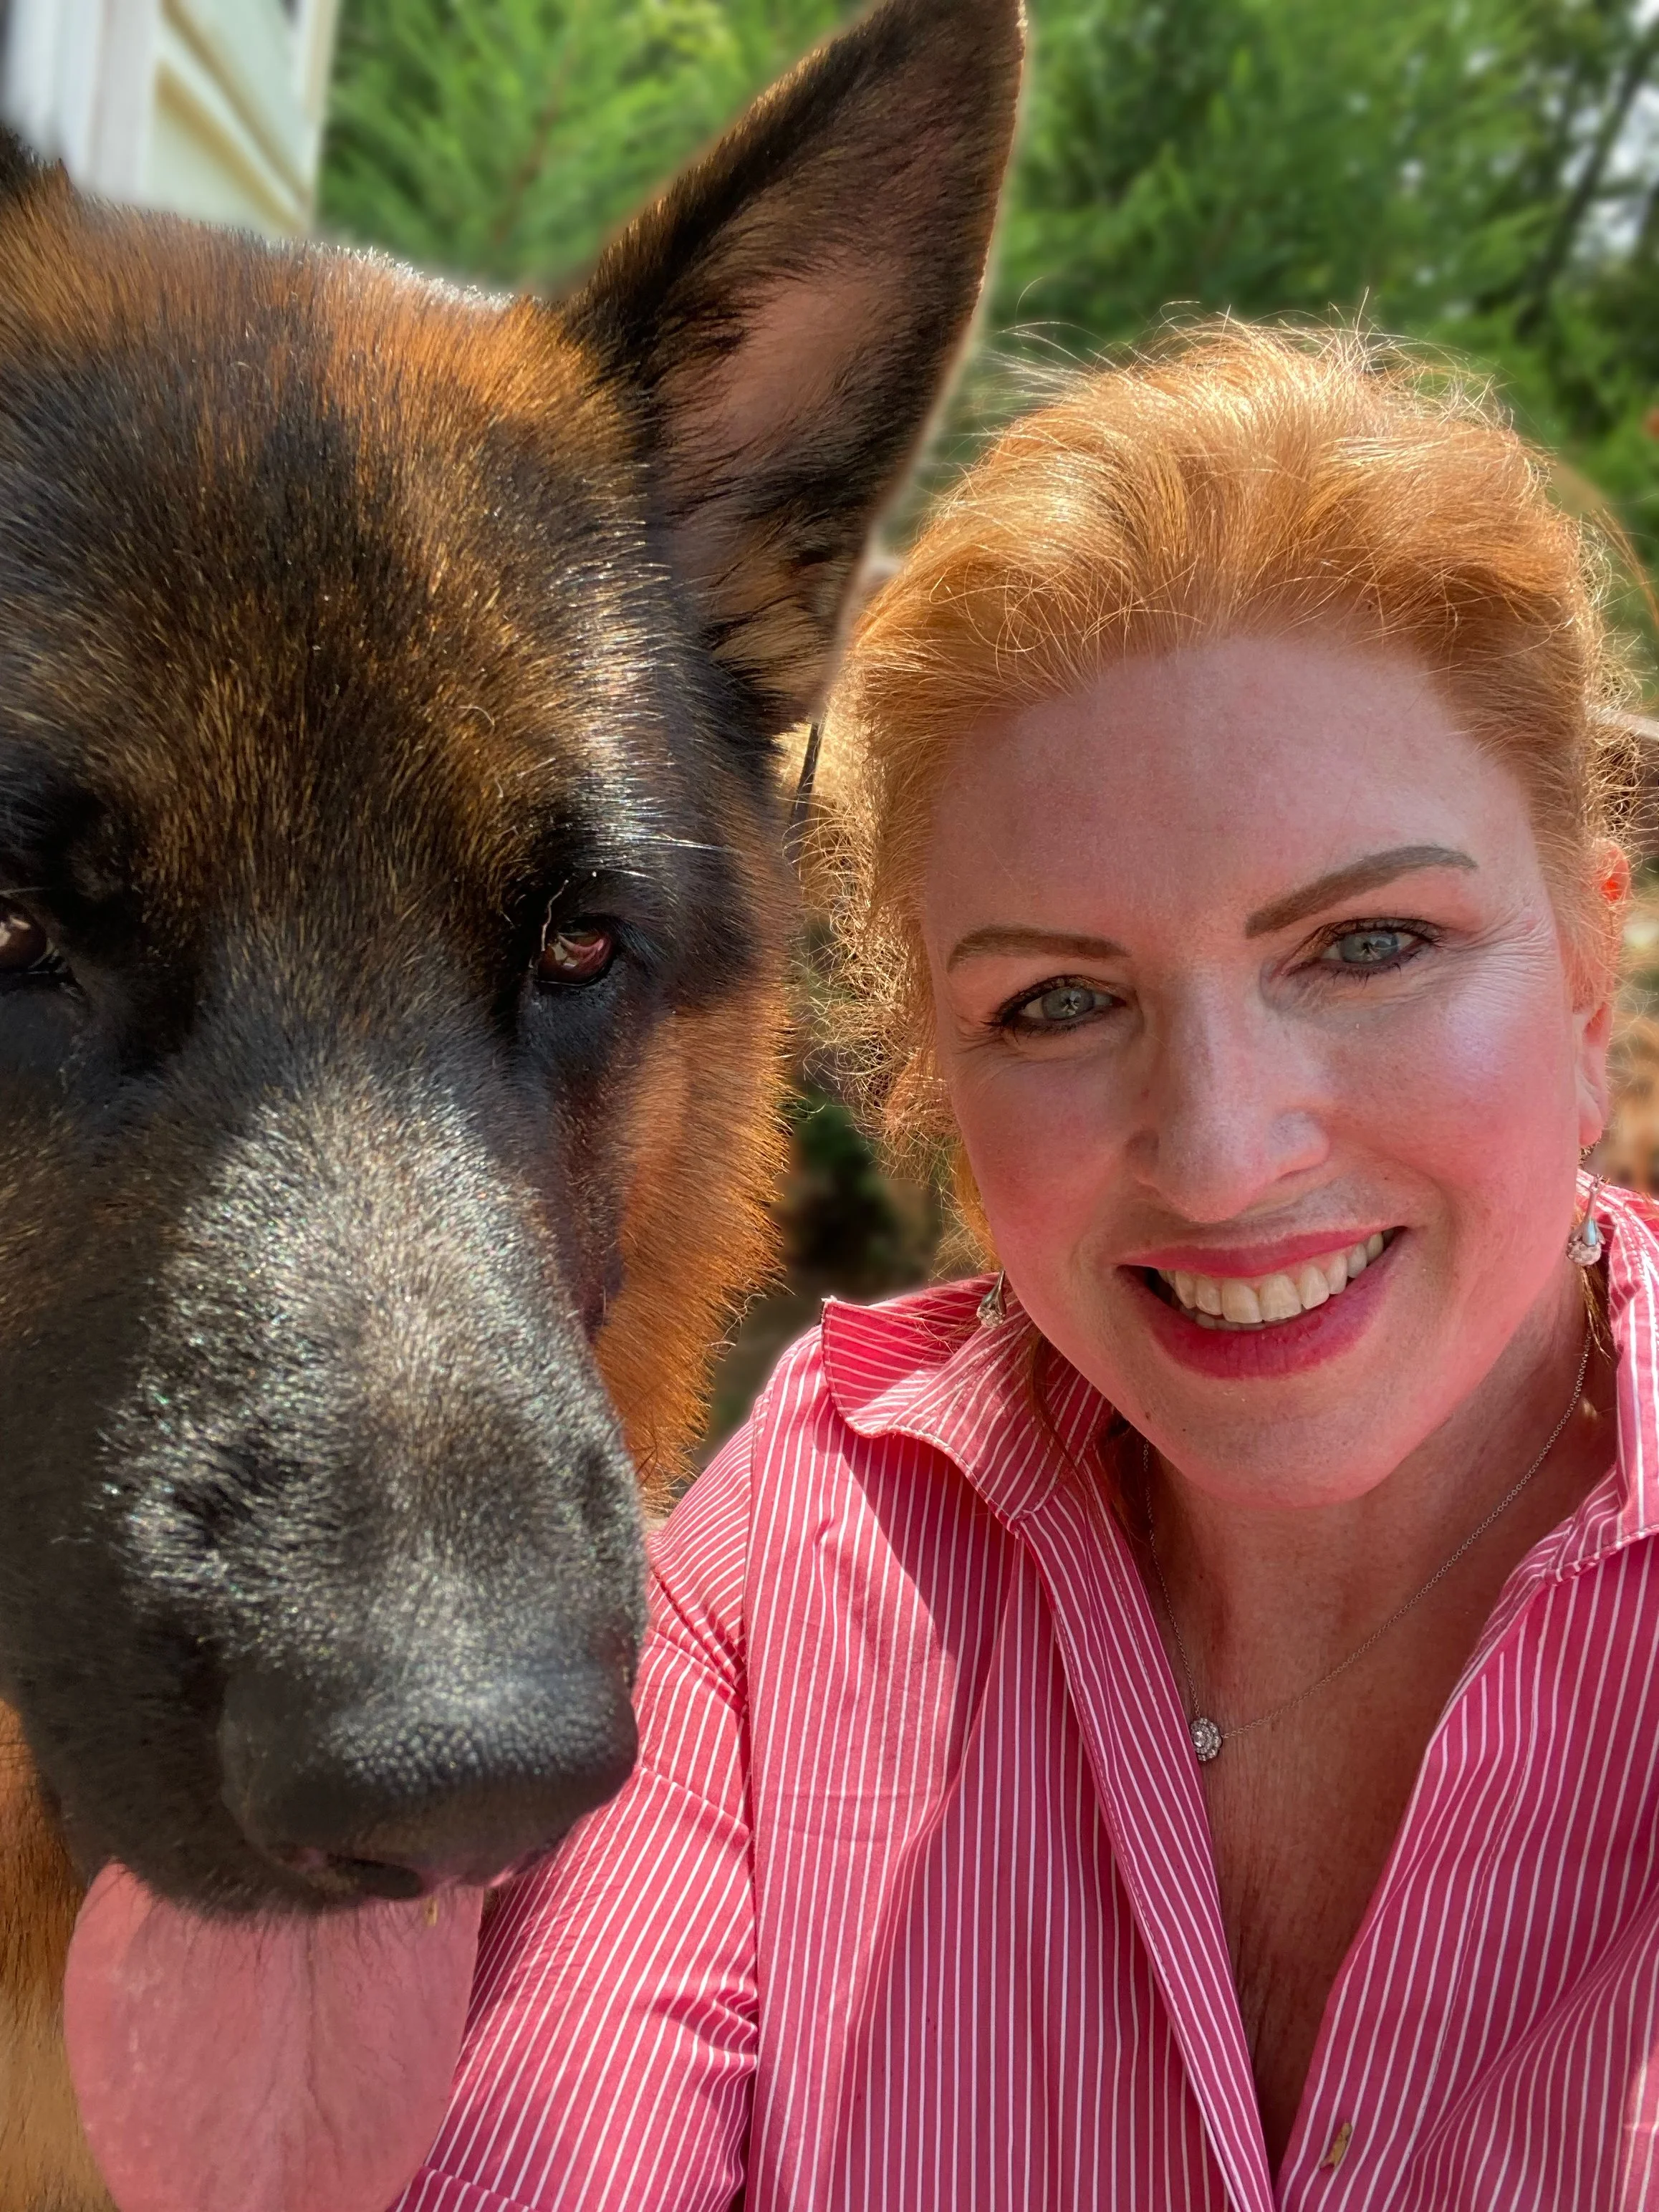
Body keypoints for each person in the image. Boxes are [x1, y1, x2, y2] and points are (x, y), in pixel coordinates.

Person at [395, 328, 1659, 2211]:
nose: (1223, 1152)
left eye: (1367, 946)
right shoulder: (789, 1564)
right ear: (932, 1074)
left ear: (1581, 963)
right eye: (1057, 1003)